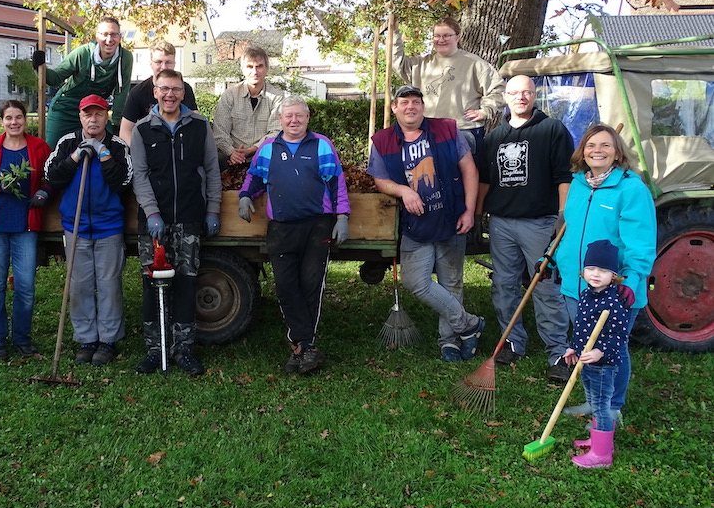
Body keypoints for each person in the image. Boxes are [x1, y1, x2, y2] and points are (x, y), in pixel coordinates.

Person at [369, 84, 485, 361]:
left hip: (451, 218)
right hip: (416, 224)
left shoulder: (447, 129)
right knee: (415, 281)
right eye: (404, 102)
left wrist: (469, 210)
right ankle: (469, 324)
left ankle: (450, 341)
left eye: (416, 101)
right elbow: (380, 180)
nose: (410, 106)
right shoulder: (383, 141)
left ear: (423, 106)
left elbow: (469, 170)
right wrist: (404, 190)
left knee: (451, 282)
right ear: (394, 108)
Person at [238, 95, 350, 373]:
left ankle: (303, 346)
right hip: (281, 228)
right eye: (288, 116)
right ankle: (304, 344)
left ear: (308, 117)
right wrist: (244, 196)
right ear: (280, 120)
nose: (294, 120)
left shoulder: (322, 145)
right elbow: (255, 177)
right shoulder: (268, 148)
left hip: (317, 227)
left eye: (299, 115)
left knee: (311, 285)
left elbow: (337, 182)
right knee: (286, 286)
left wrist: (343, 216)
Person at [555, 124, 657, 423]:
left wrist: (633, 279)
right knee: (587, 344)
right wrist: (549, 259)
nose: (597, 150)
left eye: (605, 145)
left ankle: (613, 406)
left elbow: (640, 241)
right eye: (591, 145)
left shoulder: (630, 188)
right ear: (582, 152)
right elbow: (569, 231)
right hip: (578, 285)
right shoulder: (578, 184)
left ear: (617, 153)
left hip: (615, 288)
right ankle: (593, 401)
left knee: (613, 348)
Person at [477, 75, 575, 382]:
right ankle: (512, 341)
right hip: (502, 223)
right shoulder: (494, 137)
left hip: (540, 222)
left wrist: (562, 213)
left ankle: (558, 351)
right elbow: (484, 179)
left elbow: (564, 175)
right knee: (504, 285)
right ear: (505, 97)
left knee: (545, 286)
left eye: (527, 92)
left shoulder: (552, 129)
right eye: (515, 93)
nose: (521, 97)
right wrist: (479, 213)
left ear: (534, 96)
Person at [129, 68, 221, 376]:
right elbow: (139, 176)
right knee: (152, 284)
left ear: (183, 93)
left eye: (176, 89)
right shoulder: (142, 130)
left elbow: (211, 168)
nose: (170, 94)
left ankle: (183, 348)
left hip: (190, 219)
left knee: (186, 281)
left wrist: (212, 209)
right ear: (154, 91)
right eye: (164, 89)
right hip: (154, 223)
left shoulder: (199, 126)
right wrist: (152, 212)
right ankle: (155, 349)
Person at [45, 94, 133, 366]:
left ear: (107, 116)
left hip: (109, 227)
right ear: (80, 117)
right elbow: (52, 176)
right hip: (76, 227)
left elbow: (123, 182)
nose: (93, 119)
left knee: (109, 286)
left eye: (98, 114)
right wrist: (74, 158)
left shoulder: (117, 145)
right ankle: (86, 339)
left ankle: (107, 340)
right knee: (80, 285)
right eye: (87, 114)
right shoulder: (67, 142)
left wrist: (103, 154)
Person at [0, 100, 51, 359]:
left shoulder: (38, 147)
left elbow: (52, 177)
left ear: (26, 120)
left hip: (25, 226)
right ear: (1, 121)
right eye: (9, 118)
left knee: (25, 285)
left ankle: (22, 338)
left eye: (19, 118)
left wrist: (44, 191)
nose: (14, 122)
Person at [564, 239, 634, 468]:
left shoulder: (614, 302)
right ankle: (598, 440)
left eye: (603, 270)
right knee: (594, 402)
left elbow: (619, 337)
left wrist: (599, 351)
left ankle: (602, 454)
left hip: (604, 364)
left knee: (603, 406)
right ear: (583, 271)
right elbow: (582, 327)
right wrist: (574, 346)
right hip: (587, 361)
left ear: (613, 275)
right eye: (591, 268)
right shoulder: (587, 295)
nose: (595, 274)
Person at [389, 17, 505, 157]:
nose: (441, 39)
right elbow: (397, 64)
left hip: (462, 132)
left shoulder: (474, 63)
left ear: (458, 37)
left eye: (446, 35)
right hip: (428, 132)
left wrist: (485, 111)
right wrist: (395, 34)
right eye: (437, 35)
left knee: (466, 178)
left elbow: (498, 89)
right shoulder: (422, 64)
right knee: (429, 178)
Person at [35, 17, 133, 148]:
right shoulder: (83, 53)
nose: (109, 40)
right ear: (97, 37)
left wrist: (116, 123)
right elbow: (55, 78)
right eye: (104, 34)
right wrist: (39, 65)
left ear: (120, 37)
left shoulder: (125, 58)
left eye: (114, 34)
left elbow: (121, 92)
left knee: (112, 148)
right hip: (65, 110)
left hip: (94, 112)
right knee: (51, 150)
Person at [212, 45, 284, 170]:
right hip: (230, 158)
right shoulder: (230, 95)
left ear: (266, 69)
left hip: (264, 156)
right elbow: (220, 132)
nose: (255, 72)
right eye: (250, 67)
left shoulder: (277, 97)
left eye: (259, 66)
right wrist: (232, 152)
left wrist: (251, 150)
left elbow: (276, 132)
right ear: (243, 69)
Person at [118, 39, 199, 145]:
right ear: (151, 64)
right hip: (148, 147)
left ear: (174, 64)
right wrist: (140, 152)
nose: (164, 67)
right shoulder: (138, 93)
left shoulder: (185, 89)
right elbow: (125, 132)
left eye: (168, 62)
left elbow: (196, 123)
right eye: (159, 62)